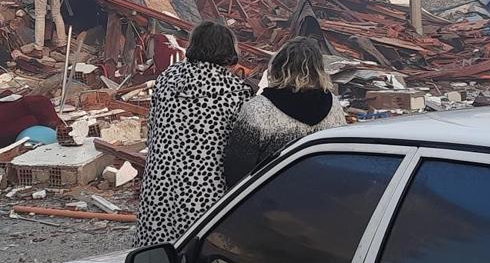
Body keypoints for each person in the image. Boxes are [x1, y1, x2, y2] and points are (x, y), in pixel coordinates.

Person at [134, 22, 253, 247]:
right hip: (204, 203)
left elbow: (152, 132)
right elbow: (239, 157)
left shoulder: (167, 79)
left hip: (158, 194)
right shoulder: (234, 92)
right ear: (229, 51)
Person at [224, 37, 346, 189]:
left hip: (268, 202)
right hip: (322, 198)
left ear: (277, 67)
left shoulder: (258, 109)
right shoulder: (334, 105)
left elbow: (237, 170)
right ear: (318, 70)